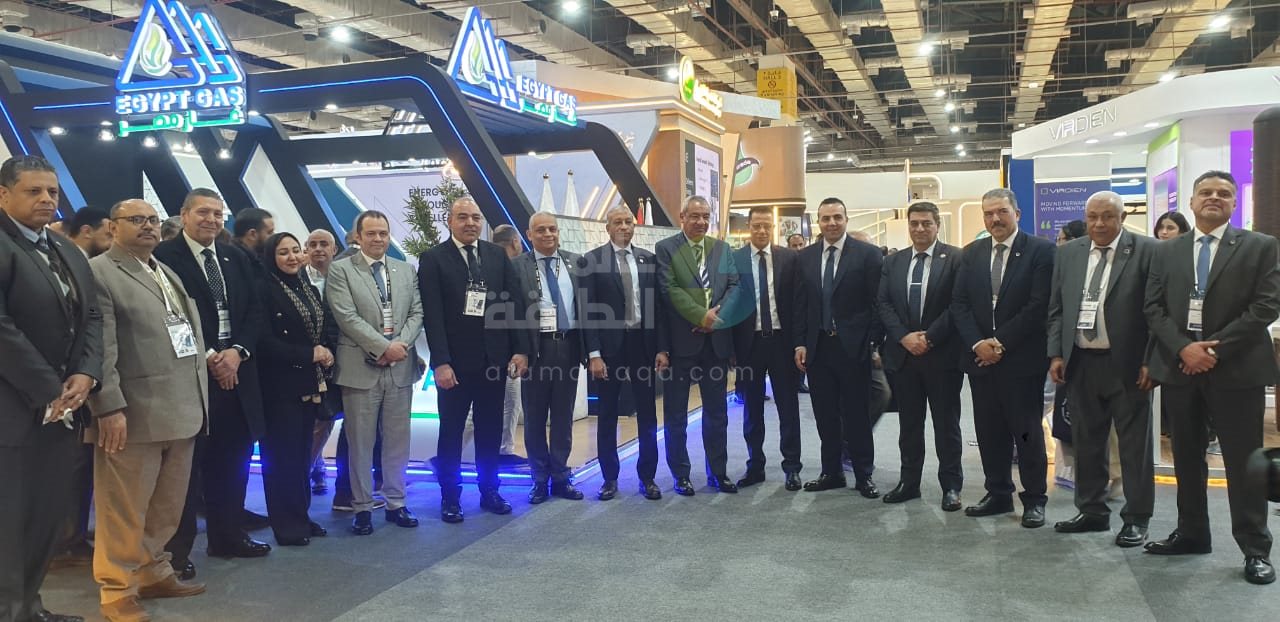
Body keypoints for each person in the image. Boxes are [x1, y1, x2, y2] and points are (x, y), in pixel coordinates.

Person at [1143, 170, 1280, 585]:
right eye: (1206, 192)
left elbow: (1266, 306)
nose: (1214, 198)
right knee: (1186, 457)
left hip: (1237, 370)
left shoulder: (1261, 246)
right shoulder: (1166, 250)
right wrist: (1184, 349)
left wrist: (1212, 350)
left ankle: (1255, 549)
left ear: (1235, 203)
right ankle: (1192, 533)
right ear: (1191, 201)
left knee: (1243, 462)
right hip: (1182, 369)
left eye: (1223, 193)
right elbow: (1153, 307)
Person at [87, 199, 207, 622]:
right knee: (123, 508)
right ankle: (116, 589)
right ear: (112, 226)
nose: (148, 226)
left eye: (153, 220)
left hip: (182, 407)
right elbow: (100, 349)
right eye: (136, 220)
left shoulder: (163, 269)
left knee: (166, 505)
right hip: (132, 413)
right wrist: (108, 407)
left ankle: (153, 571)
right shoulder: (100, 272)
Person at [0, 155, 103, 622]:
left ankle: (27, 606)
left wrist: (86, 373)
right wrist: (50, 388)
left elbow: (92, 316)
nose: (46, 199)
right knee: (10, 521)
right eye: (33, 191)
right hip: (13, 408)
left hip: (63, 408)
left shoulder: (65, 249)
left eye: (52, 192)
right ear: (4, 195)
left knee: (45, 518)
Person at [155, 188, 270, 578]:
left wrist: (237, 352)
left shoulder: (235, 256)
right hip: (192, 375)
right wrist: (209, 357)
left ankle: (228, 536)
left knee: (233, 460)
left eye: (218, 214)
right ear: (184, 214)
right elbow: (169, 316)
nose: (212, 220)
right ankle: (176, 551)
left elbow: (254, 310)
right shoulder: (163, 258)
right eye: (203, 212)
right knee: (186, 471)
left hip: (237, 374)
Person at [1047, 191, 1156, 548]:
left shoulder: (1147, 251)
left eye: (1108, 216)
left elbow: (1157, 311)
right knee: (1087, 442)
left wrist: (1150, 360)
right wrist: (1057, 354)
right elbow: (1057, 309)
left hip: (1128, 365)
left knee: (1134, 447)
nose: (1099, 223)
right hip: (1081, 361)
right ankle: (1092, 510)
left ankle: (1137, 518)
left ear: (1122, 218)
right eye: (1093, 216)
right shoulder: (1069, 253)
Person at [418, 197, 528, 523]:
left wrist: (520, 349)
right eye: (463, 217)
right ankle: (450, 497)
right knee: (451, 432)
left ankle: (489, 491)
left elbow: (514, 304)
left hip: (494, 362)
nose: (470, 223)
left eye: (476, 218)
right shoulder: (433, 259)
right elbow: (433, 316)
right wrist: (441, 362)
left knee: (490, 431)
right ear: (449, 221)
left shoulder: (496, 255)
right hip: (454, 366)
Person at [951, 188, 1055, 528]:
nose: (995, 219)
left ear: (1017, 213)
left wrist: (999, 342)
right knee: (989, 432)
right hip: (980, 361)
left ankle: (1034, 498)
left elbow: (1038, 305)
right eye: (988, 213)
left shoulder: (1041, 251)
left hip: (1021, 361)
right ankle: (997, 493)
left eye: (1001, 212)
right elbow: (960, 304)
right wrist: (977, 344)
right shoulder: (972, 253)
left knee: (1026, 433)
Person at [326, 210, 424, 535]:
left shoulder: (405, 269)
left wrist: (399, 346)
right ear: (358, 236)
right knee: (360, 443)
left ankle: (396, 502)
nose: (378, 239)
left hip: (400, 367)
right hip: (360, 367)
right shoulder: (341, 269)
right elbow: (346, 316)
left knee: (398, 440)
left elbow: (417, 312)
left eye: (383, 233)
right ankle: (362, 507)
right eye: (371, 233)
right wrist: (383, 347)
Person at [875, 201, 964, 510]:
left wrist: (929, 337)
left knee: (946, 425)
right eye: (914, 223)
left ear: (937, 225)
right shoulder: (894, 261)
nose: (920, 228)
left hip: (942, 356)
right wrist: (904, 337)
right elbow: (883, 303)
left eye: (926, 223)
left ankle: (951, 486)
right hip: (904, 357)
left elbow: (958, 304)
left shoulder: (955, 258)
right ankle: (909, 482)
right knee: (909, 426)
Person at [793, 197, 882, 498]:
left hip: (854, 348)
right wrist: (800, 343)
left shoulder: (868, 255)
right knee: (825, 414)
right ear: (818, 221)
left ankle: (864, 474)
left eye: (837, 217)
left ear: (846, 219)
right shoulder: (805, 257)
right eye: (826, 218)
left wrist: (872, 342)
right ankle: (831, 472)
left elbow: (877, 303)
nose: (831, 223)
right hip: (818, 348)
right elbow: (801, 305)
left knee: (857, 415)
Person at [654, 195, 743, 495]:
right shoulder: (666, 248)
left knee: (717, 413)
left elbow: (734, 286)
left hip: (716, 344)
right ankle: (681, 474)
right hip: (681, 345)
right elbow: (669, 289)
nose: (701, 221)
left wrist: (716, 319)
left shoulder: (722, 249)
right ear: (682, 217)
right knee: (676, 414)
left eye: (706, 216)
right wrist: (700, 316)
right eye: (695, 216)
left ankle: (717, 472)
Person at [258, 232, 337, 546]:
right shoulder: (263, 290)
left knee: (302, 454)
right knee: (281, 458)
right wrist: (308, 354)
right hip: (279, 386)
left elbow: (319, 329)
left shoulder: (306, 287)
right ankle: (286, 524)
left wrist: (326, 351)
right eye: (283, 252)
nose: (291, 257)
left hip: (308, 383)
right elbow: (264, 342)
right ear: (270, 257)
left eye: (295, 250)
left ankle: (301, 515)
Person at [580, 206, 665, 501]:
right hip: (608, 349)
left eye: (629, 222)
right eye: (618, 222)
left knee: (647, 413)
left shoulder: (648, 260)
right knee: (607, 414)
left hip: (642, 344)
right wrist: (594, 354)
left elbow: (658, 309)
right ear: (608, 227)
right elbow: (588, 311)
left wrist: (662, 348)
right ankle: (609, 478)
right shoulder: (592, 261)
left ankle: (647, 477)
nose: (624, 226)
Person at [50, 206, 112, 569]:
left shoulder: (79, 262)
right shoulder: (63, 261)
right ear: (87, 230)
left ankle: (70, 535)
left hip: (84, 379)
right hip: (57, 382)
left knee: (80, 463)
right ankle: (63, 539)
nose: (111, 239)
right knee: (70, 465)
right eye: (107, 231)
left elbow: (92, 322)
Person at [512, 212, 586, 503]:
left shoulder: (576, 263)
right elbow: (513, 314)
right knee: (534, 417)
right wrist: (520, 351)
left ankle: (561, 476)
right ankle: (539, 479)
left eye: (552, 229)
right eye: (540, 230)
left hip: (568, 346)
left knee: (563, 416)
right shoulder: (517, 266)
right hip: (536, 349)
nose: (548, 234)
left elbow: (586, 308)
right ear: (529, 235)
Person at [730, 205, 803, 491]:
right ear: (748, 226)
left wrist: (799, 342)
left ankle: (792, 467)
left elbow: (798, 303)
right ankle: (755, 466)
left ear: (773, 228)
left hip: (782, 342)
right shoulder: (734, 259)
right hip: (749, 344)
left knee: (788, 406)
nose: (761, 230)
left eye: (766, 226)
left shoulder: (789, 258)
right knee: (752, 409)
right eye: (756, 225)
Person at [301, 229, 342, 496]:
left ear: (334, 250)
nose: (318, 249)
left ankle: (313, 467)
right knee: (314, 421)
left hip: (339, 358)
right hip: (306, 359)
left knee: (327, 418)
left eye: (323, 244)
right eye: (313, 244)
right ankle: (307, 470)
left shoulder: (344, 277)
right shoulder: (297, 277)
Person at [491, 224, 527, 466]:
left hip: (499, 345)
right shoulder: (513, 268)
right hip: (506, 347)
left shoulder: (487, 266)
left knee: (509, 401)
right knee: (507, 402)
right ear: (516, 242)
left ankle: (504, 449)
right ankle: (502, 450)